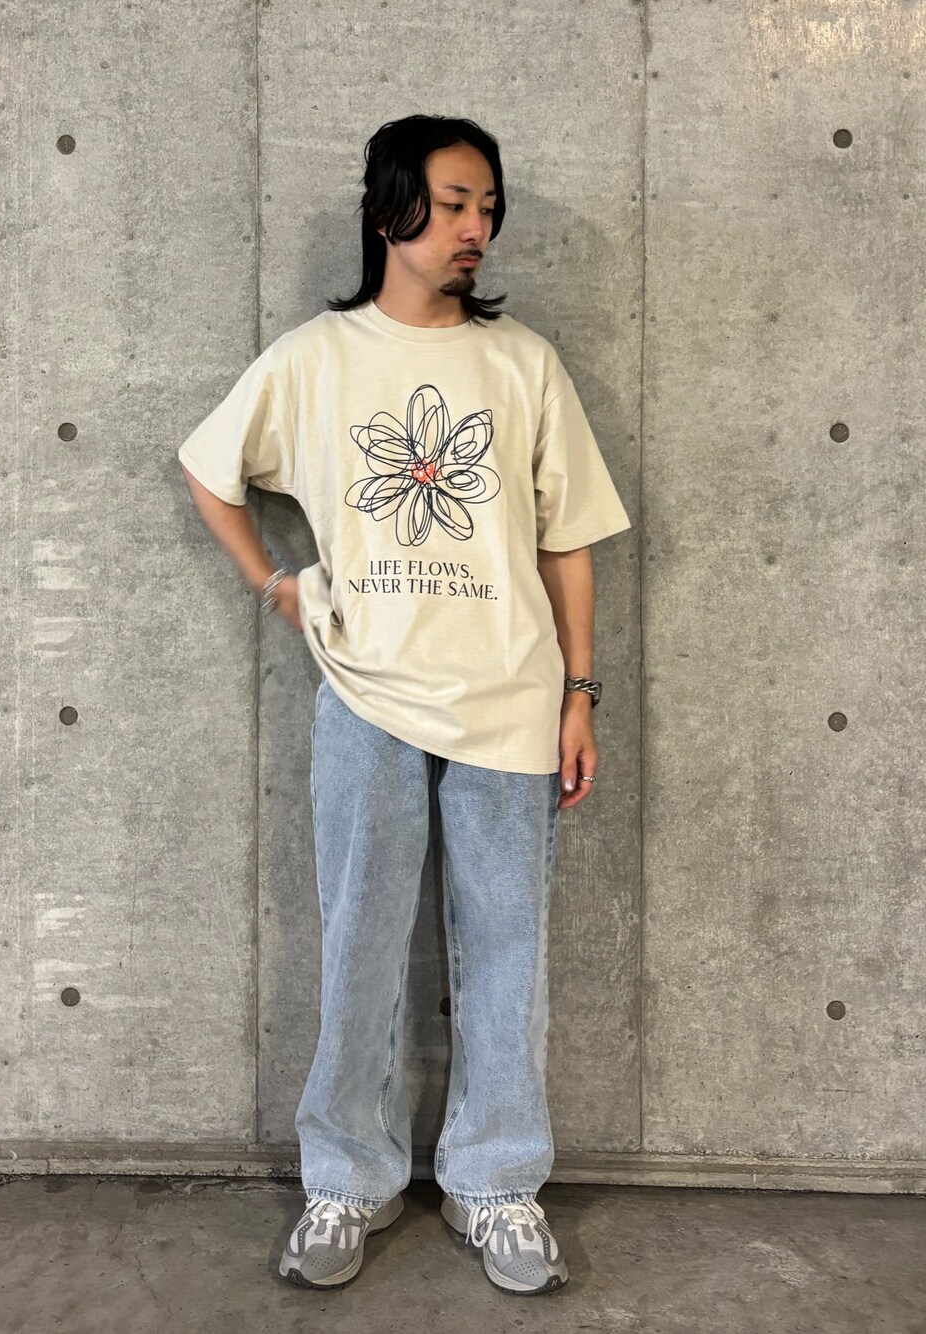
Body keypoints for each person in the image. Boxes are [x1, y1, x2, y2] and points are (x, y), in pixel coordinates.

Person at [178, 114, 631, 1297]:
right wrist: (276, 583)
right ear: (392, 211)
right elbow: (208, 469)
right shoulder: (314, 359)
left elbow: (568, 540)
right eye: (455, 202)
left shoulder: (522, 363)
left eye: (489, 205)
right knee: (359, 944)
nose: (477, 226)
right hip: (365, 696)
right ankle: (347, 1176)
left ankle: (496, 1183)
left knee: (507, 952)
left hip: (511, 699)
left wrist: (580, 693)